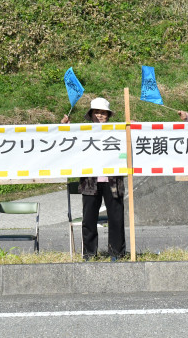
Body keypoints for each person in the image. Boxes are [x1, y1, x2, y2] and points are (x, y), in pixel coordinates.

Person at [61, 97, 125, 261]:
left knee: (116, 219)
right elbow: (69, 145)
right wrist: (65, 129)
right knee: (88, 219)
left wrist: (133, 127)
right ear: (90, 115)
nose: (100, 116)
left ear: (108, 115)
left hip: (113, 182)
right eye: (96, 112)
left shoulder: (118, 131)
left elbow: (130, 146)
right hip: (90, 182)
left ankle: (116, 253)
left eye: (103, 113)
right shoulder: (83, 132)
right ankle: (89, 253)